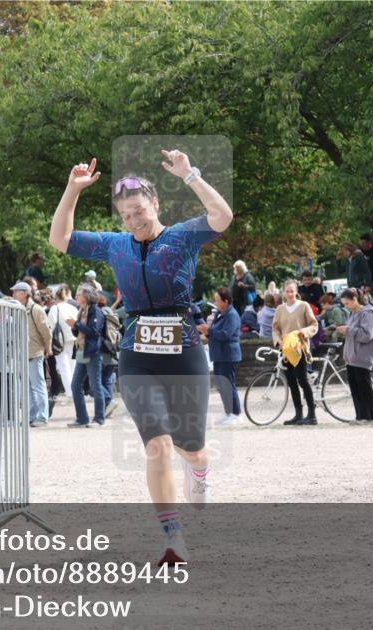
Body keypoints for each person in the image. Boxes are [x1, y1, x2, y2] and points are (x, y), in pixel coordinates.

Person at [49, 150, 233, 566]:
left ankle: (199, 469)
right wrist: (71, 191)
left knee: (192, 447)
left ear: (156, 205)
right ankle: (173, 538)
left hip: (184, 349)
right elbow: (59, 239)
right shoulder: (115, 246)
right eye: (126, 215)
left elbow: (222, 217)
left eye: (139, 211)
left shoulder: (184, 236)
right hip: (138, 354)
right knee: (157, 446)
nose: (133, 220)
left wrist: (191, 175)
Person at [272, 279, 319, 425]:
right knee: (291, 382)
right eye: (287, 291)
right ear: (284, 292)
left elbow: (314, 324)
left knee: (303, 380)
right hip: (286, 350)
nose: (290, 294)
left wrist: (303, 332)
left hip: (300, 349)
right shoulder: (280, 309)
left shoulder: (304, 306)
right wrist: (278, 340)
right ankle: (298, 413)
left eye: (292, 291)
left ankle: (311, 414)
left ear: (296, 291)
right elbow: (275, 328)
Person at [335, 288, 373, 424]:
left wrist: (348, 330)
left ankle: (372, 416)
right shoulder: (353, 313)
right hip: (352, 358)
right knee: (356, 388)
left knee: (364, 388)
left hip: (362, 357)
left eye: (347, 303)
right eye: (344, 304)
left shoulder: (367, 313)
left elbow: (367, 335)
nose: (346, 307)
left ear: (355, 299)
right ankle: (361, 416)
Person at [12, 281, 52, 427]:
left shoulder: (35, 309)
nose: (13, 294)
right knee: (27, 388)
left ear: (24, 293)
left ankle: (42, 417)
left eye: (16, 291)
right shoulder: (18, 308)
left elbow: (46, 331)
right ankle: (32, 416)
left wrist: (48, 348)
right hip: (22, 353)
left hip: (35, 352)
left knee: (38, 386)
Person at [200, 287, 243, 425]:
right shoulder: (220, 313)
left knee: (229, 384)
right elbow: (215, 332)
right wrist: (206, 332)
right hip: (219, 355)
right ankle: (228, 412)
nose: (215, 302)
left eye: (218, 300)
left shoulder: (232, 315)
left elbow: (226, 334)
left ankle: (236, 413)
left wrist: (209, 330)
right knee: (221, 384)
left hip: (228, 355)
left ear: (226, 301)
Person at [67, 285, 106, 427]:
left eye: (79, 294)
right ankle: (82, 418)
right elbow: (79, 333)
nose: (76, 296)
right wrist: (74, 328)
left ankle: (99, 419)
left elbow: (94, 332)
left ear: (87, 296)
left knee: (95, 386)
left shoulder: (95, 310)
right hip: (81, 351)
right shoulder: (82, 310)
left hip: (92, 353)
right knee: (75, 385)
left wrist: (76, 324)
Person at [46, 284, 79, 404]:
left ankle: (71, 393)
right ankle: (75, 392)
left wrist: (47, 344)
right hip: (74, 339)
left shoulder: (55, 308)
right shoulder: (73, 308)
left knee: (64, 367)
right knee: (73, 366)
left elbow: (50, 326)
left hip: (60, 341)